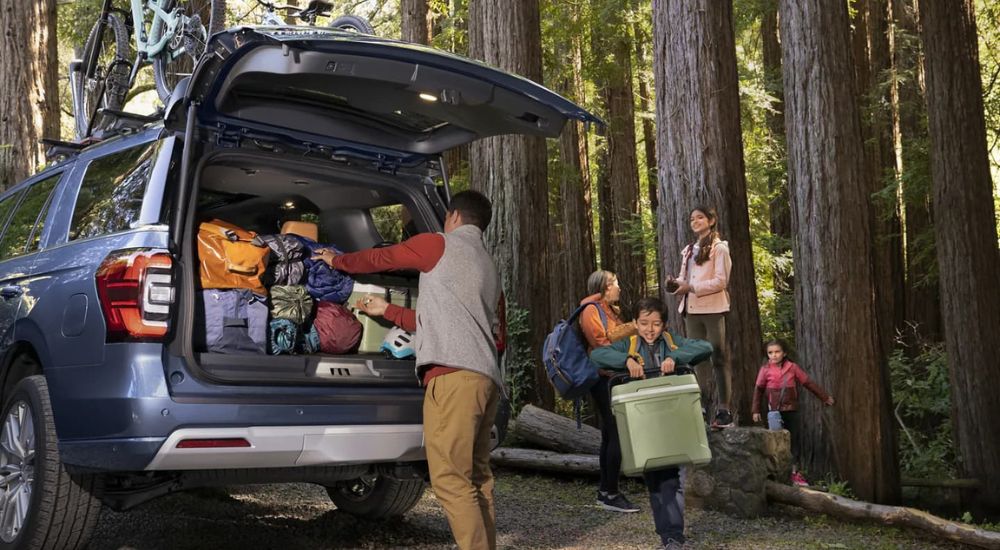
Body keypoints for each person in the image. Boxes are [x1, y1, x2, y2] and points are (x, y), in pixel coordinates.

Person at [312, 190, 501, 550]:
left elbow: (383, 257)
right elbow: (445, 321)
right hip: (485, 378)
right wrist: (388, 312)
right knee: (477, 479)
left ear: (454, 217)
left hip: (452, 378)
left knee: (449, 478)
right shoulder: (487, 264)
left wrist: (337, 261)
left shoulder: (437, 245)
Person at [590, 296, 713, 549]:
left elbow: (705, 347)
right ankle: (666, 536)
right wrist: (626, 361)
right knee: (654, 480)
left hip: (671, 419)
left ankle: (674, 537)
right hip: (643, 424)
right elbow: (598, 355)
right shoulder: (629, 345)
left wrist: (676, 359)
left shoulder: (672, 342)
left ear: (664, 325)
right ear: (635, 322)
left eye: (656, 324)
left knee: (672, 479)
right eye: (644, 323)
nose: (650, 329)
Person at [667, 205, 734, 429]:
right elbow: (683, 277)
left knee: (718, 357)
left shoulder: (719, 248)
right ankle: (702, 406)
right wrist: (675, 284)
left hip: (713, 309)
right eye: (692, 218)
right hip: (691, 310)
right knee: (697, 359)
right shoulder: (689, 249)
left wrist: (691, 287)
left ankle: (724, 409)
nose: (695, 221)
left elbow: (721, 281)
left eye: (700, 218)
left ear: (711, 221)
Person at [579, 269, 639, 513]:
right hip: (604, 379)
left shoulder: (608, 311)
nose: (619, 288)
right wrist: (631, 329)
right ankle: (611, 494)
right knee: (616, 434)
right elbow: (602, 344)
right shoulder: (590, 310)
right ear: (603, 287)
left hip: (613, 378)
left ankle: (605, 490)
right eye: (615, 283)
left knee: (609, 435)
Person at [751, 339, 835, 487]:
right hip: (774, 411)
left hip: (791, 410)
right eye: (770, 352)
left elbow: (808, 383)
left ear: (784, 353)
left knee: (793, 441)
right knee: (775, 442)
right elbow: (758, 390)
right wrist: (755, 409)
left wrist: (824, 397)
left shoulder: (792, 367)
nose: (774, 355)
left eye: (777, 352)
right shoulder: (765, 370)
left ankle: (794, 473)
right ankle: (776, 473)